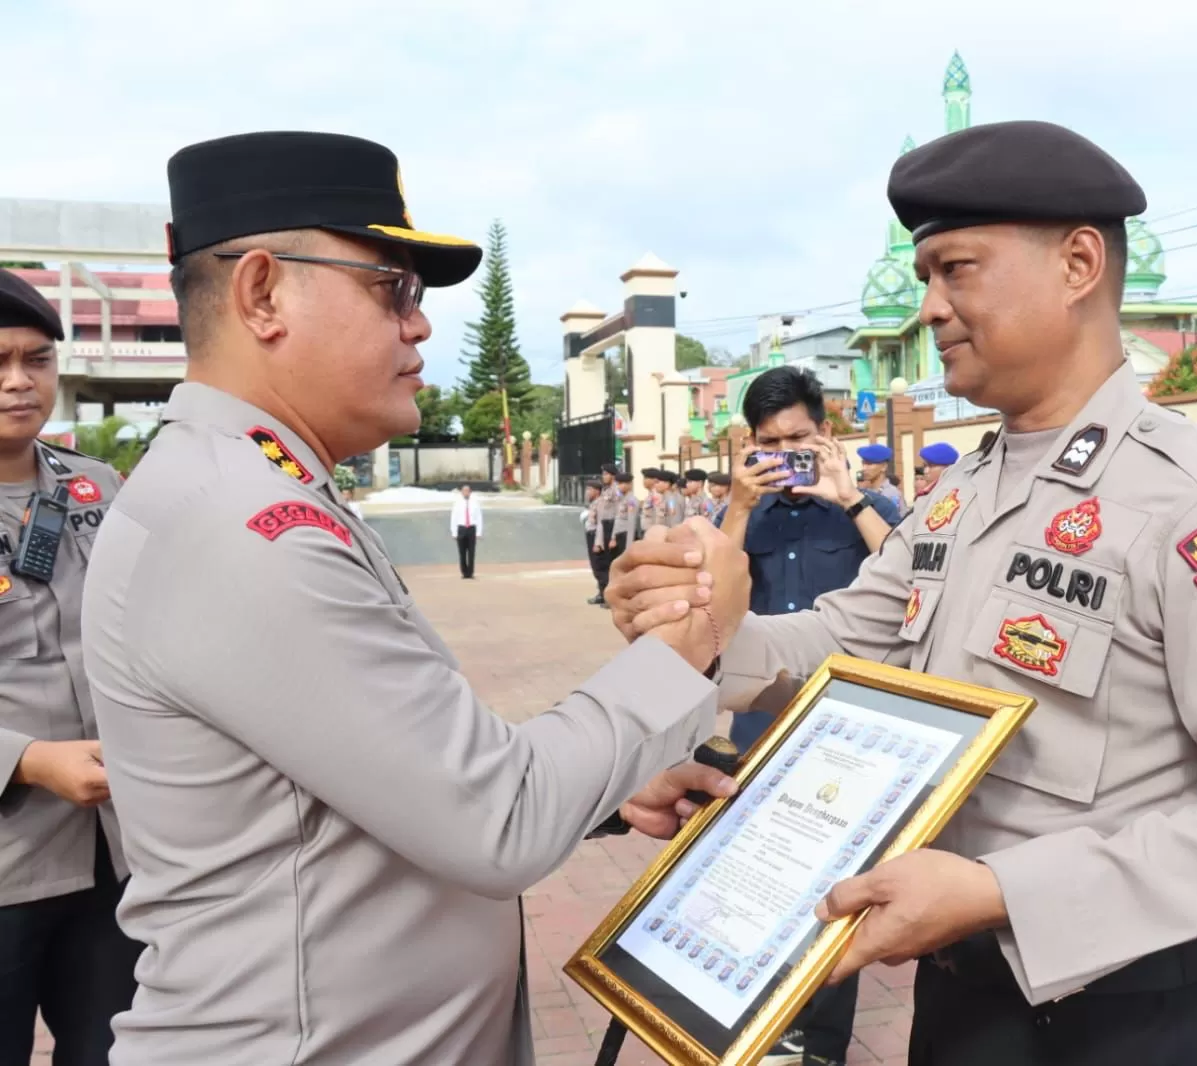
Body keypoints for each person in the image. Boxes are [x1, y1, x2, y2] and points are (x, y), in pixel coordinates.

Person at [611, 119, 1197, 1066]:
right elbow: (843, 644)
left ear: (1077, 264)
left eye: (955, 270)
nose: (930, 308)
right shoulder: (960, 491)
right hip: (959, 1001)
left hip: (1123, 1021)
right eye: (924, 277)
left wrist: (1005, 894)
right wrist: (704, 625)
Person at [78, 130, 743, 1066]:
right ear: (262, 294)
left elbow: (398, 771)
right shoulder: (240, 522)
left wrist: (600, 783)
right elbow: (499, 819)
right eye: (391, 288)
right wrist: (688, 637)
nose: (419, 326)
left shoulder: (250, 488)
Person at [714, 365, 898, 1066]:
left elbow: (917, 580)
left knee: (838, 885)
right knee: (762, 874)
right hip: (761, 722)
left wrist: (848, 498)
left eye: (798, 438)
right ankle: (762, 1020)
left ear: (824, 433)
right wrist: (737, 507)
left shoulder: (868, 506)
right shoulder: (741, 514)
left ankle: (819, 1043)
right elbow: (712, 599)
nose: (785, 454)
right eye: (769, 442)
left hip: (846, 724)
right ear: (750, 444)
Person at [0, 268, 143, 1065]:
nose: (19, 381)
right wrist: (27, 759)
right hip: (8, 860)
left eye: (37, 359)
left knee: (111, 1050)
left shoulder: (100, 489)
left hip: (110, 851)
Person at [856, 443, 905, 518]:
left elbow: (897, 521)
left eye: (869, 464)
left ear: (884, 467)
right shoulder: (865, 492)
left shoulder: (891, 494)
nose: (864, 468)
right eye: (863, 463)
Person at [450, 482, 483, 579]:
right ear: (461, 492)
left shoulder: (475, 503)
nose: (466, 492)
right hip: (461, 528)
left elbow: (479, 517)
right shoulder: (457, 503)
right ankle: (464, 572)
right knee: (462, 552)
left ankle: (470, 572)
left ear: (470, 492)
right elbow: (454, 518)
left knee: (471, 552)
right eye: (464, 491)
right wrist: (454, 532)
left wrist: (479, 532)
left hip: (471, 528)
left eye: (467, 491)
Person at [581, 479, 606, 604]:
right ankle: (601, 593)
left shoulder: (600, 503)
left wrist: (598, 542)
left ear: (597, 491)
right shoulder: (594, 503)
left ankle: (605, 595)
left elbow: (601, 523)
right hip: (591, 535)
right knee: (595, 567)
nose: (587, 492)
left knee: (599, 567)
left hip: (596, 536)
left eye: (589, 489)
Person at [612, 471, 640, 564]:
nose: (621, 486)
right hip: (619, 535)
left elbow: (631, 523)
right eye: (619, 483)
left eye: (624, 483)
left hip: (626, 535)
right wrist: (613, 537)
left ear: (630, 484)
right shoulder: (621, 499)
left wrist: (629, 546)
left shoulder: (631, 500)